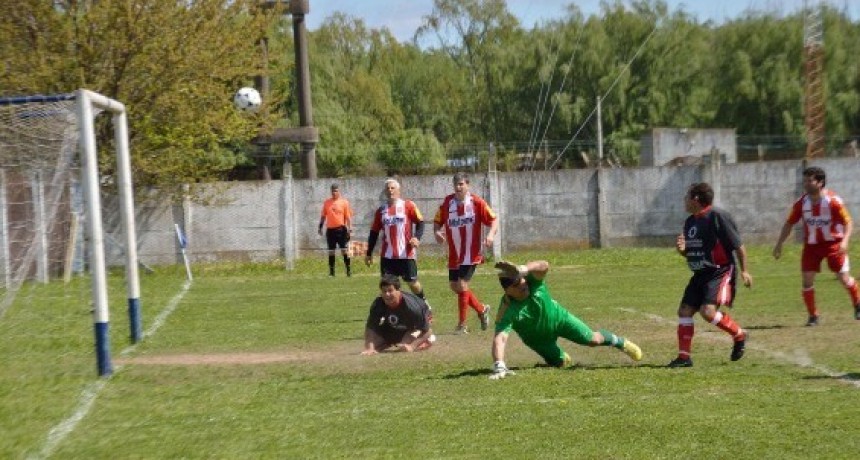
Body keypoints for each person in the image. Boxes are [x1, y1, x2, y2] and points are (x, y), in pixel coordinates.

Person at [489, 260, 643, 380]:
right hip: (538, 340)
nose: (523, 284)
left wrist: (524, 269)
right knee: (562, 363)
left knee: (592, 339)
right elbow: (500, 338)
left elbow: (544, 265)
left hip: (560, 319)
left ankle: (621, 342)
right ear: (508, 290)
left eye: (521, 279)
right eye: (517, 284)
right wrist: (499, 364)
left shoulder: (532, 282)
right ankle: (561, 358)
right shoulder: (507, 309)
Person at [669, 183, 752, 368]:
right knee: (684, 311)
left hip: (719, 271)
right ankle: (684, 358)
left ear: (696, 199)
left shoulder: (717, 216)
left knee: (708, 312)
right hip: (699, 273)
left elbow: (738, 245)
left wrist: (745, 270)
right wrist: (682, 250)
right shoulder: (690, 221)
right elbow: (691, 252)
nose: (684, 200)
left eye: (687, 196)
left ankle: (739, 334)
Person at [772, 166, 860, 326]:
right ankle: (813, 316)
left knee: (844, 278)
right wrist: (779, 244)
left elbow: (848, 222)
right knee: (807, 280)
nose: (805, 184)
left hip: (834, 244)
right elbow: (789, 223)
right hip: (812, 246)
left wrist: (845, 241)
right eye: (804, 180)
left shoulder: (833, 201)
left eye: (809, 180)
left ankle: (858, 303)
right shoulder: (801, 203)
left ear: (820, 182)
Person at [434, 172, 498, 334]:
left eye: (461, 184)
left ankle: (462, 326)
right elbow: (437, 221)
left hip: (471, 252)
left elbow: (494, 220)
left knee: (462, 285)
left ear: (468, 185)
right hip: (454, 253)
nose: (458, 187)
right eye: (456, 184)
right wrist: (437, 232)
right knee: (455, 286)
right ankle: (481, 309)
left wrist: (490, 235)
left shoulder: (477, 202)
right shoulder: (448, 203)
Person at [365, 178, 427, 299]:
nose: (390, 190)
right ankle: (393, 310)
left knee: (412, 283)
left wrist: (417, 237)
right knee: (388, 285)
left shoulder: (408, 205)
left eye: (393, 188)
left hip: (406, 253)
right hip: (387, 256)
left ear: (399, 190)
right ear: (385, 192)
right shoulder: (381, 211)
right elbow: (374, 232)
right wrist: (369, 253)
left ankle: (424, 303)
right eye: (388, 188)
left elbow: (421, 222)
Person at [361, 275, 434, 355]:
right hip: (396, 324)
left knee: (403, 346)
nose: (387, 294)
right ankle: (391, 341)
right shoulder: (378, 303)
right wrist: (370, 348)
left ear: (398, 290)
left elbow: (427, 330)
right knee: (372, 344)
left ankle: (428, 340)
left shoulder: (412, 307)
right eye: (384, 291)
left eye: (390, 290)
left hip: (415, 325)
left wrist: (412, 346)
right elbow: (371, 327)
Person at [318, 183, 354, 277]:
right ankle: (332, 272)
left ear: (339, 191)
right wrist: (320, 227)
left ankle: (348, 271)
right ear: (331, 192)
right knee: (331, 251)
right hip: (330, 231)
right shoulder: (327, 202)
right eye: (333, 191)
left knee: (344, 251)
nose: (334, 192)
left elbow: (348, 217)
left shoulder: (344, 202)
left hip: (341, 230)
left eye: (336, 191)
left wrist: (350, 229)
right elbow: (323, 216)